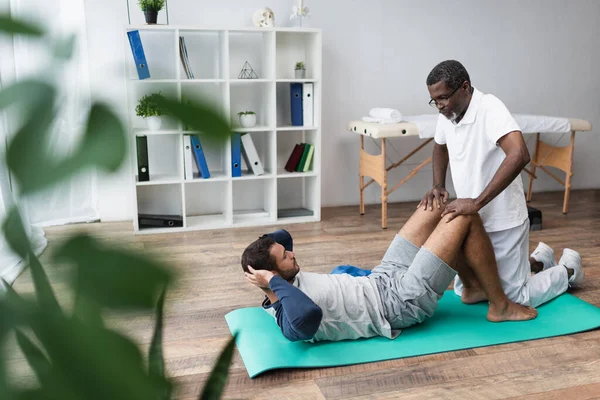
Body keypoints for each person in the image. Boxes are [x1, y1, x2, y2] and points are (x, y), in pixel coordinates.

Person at [241, 204, 537, 343]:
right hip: (398, 304)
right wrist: (272, 280)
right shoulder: (290, 320)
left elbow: (283, 236)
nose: (292, 252)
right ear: (271, 275)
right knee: (464, 215)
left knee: (438, 208)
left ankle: (473, 288)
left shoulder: (284, 280)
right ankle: (500, 306)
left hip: (381, 278)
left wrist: (268, 264)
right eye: (284, 256)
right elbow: (308, 314)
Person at [421, 60, 583, 308]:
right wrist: (437, 184)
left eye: (443, 98)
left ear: (465, 87)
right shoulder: (448, 113)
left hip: (503, 219)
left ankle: (568, 270)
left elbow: (519, 154)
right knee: (468, 291)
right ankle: (539, 261)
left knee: (515, 297)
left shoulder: (490, 108)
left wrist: (476, 202)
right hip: (473, 218)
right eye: (435, 100)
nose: (440, 105)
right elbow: (440, 146)